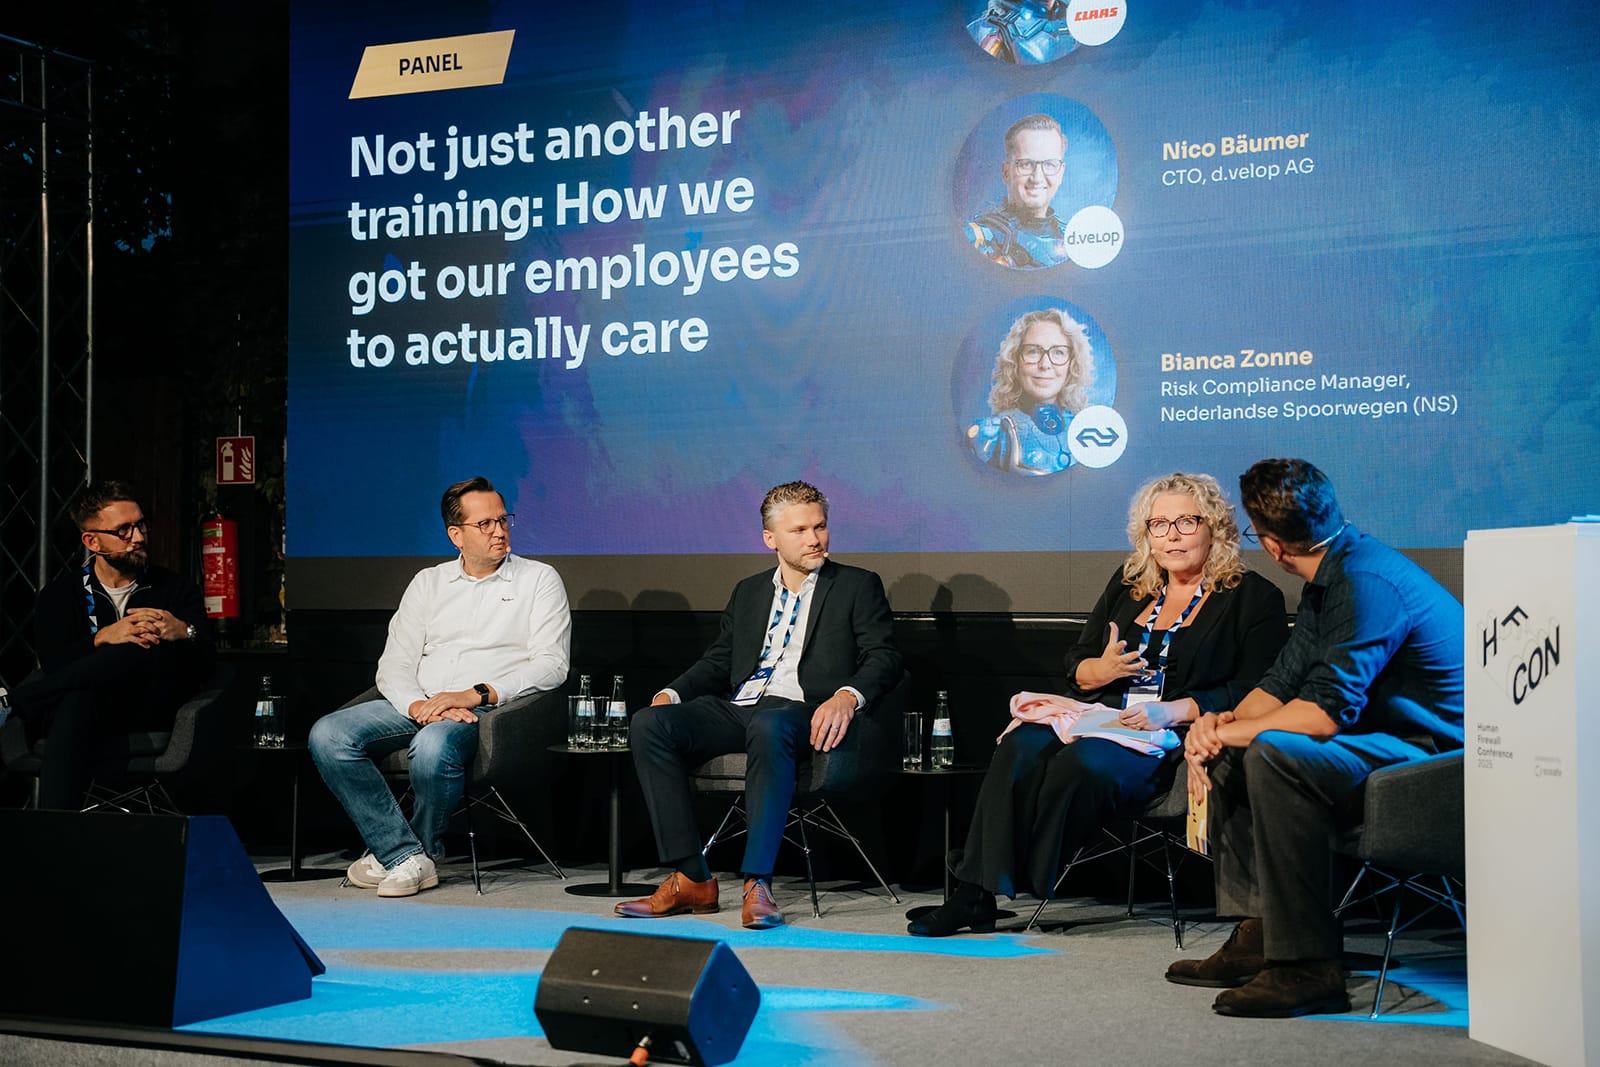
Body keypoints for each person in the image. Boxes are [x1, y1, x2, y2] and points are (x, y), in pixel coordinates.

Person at [910, 472, 1288, 936]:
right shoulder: (1130, 584)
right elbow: (1077, 665)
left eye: (1186, 522)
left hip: (1171, 736)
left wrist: (1175, 709)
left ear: (1215, 527)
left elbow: (1255, 688)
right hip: (1101, 717)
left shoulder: (1252, 598)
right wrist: (1104, 670)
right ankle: (976, 893)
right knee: (1018, 746)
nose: (1171, 536)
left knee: (1082, 763)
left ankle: (985, 876)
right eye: (1158, 525)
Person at [1166, 459, 1464, 1018]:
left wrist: (1229, 731)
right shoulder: (1330, 574)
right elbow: (1281, 683)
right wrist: (1217, 727)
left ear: (1273, 546)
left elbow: (1323, 716)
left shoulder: (1366, 582)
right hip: (1382, 742)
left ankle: (1307, 967)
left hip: (1434, 758)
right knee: (1235, 750)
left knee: (1276, 753)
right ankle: (1259, 936)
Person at [619, 481, 903, 930]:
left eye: (820, 526)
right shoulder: (749, 591)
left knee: (770, 725)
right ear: (771, 539)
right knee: (650, 723)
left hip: (804, 709)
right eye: (800, 530)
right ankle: (692, 877)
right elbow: (720, 659)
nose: (815, 539)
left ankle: (758, 882)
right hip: (744, 705)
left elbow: (883, 656)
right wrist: (670, 694)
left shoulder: (856, 585)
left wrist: (846, 696)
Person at [309, 476, 570, 898]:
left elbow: (551, 665)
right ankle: (405, 854)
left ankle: (408, 853)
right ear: (456, 535)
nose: (500, 531)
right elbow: (394, 664)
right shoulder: (428, 583)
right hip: (419, 703)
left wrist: (473, 695)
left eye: (503, 519)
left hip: (484, 711)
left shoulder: (538, 579)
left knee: (432, 746)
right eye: (485, 524)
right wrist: (419, 706)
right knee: (329, 734)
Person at [5, 480, 212, 810]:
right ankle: (57, 831)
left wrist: (185, 631)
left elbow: (210, 661)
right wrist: (102, 637)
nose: (138, 537)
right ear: (92, 541)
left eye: (141, 525)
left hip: (151, 706)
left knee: (141, 645)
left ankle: (15, 701)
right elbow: (56, 663)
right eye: (123, 530)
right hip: (88, 709)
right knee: (79, 699)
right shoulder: (60, 596)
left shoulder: (175, 589)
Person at [967, 307, 1094, 474]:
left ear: (1073, 364)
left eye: (1058, 352)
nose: (1045, 364)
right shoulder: (992, 435)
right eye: (1033, 351)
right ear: (1015, 362)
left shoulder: (1088, 430)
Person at [967, 113, 1070, 269]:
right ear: (1006, 172)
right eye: (1026, 164)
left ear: (1061, 173)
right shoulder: (977, 238)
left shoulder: (1074, 238)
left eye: (1049, 164)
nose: (1037, 178)